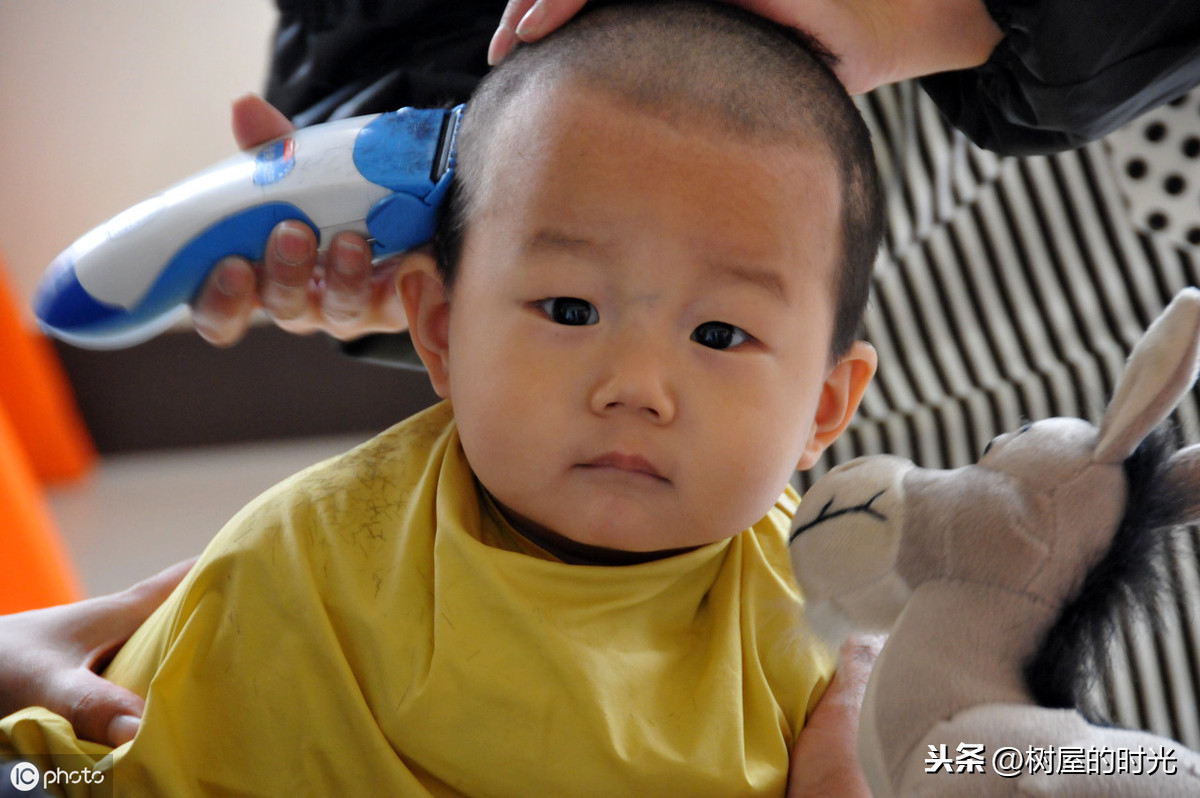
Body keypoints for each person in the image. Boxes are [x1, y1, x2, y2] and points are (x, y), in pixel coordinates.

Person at [0, 3, 883, 795]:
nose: (635, 389)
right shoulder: (293, 572)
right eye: (571, 310)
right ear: (441, 330)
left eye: (720, 336)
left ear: (824, 406)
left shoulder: (825, 633)